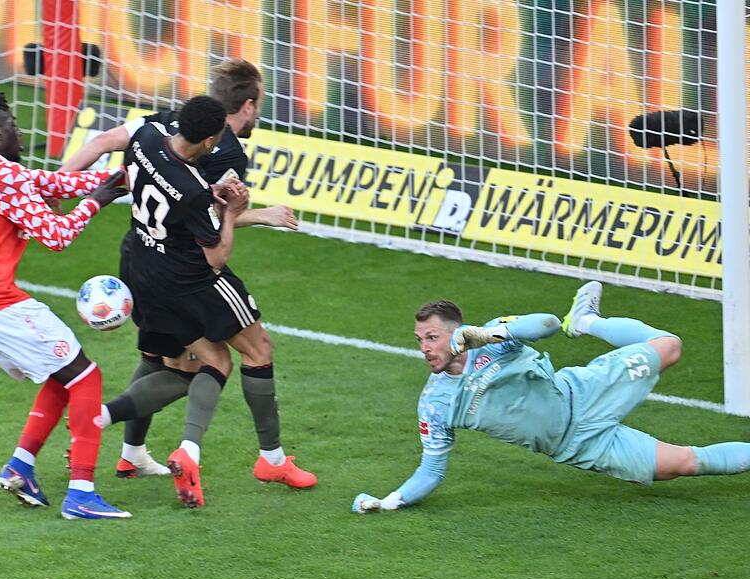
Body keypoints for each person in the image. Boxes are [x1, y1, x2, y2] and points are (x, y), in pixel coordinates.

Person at [60, 59, 308, 493]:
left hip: (139, 257)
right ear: (247, 107)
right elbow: (211, 236)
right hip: (188, 272)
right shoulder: (222, 156)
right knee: (247, 352)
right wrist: (252, 214)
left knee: (167, 360)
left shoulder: (155, 130)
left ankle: (123, 445)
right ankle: (264, 458)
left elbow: (103, 142)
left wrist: (57, 188)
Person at [352, 281, 750, 513]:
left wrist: (486, 335)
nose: (424, 346)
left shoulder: (492, 339)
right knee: (684, 462)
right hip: (580, 444)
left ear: (457, 332)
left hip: (583, 391)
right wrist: (389, 501)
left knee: (670, 346)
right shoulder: (434, 404)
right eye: (420, 339)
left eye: (432, 337)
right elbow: (432, 471)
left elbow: (545, 324)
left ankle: (588, 321)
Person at [0, 93, 131, 520]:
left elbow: (53, 184)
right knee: (87, 377)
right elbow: (56, 235)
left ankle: (21, 466)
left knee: (62, 371)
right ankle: (82, 494)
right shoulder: (5, 177)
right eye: (13, 123)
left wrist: (126, 176)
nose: (20, 130)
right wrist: (99, 201)